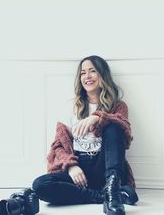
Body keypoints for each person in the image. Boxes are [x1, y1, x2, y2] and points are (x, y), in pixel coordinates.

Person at [32, 55, 138, 215]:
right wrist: (71, 166)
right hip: (81, 169)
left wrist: (97, 117)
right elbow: (59, 144)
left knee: (114, 127)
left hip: (107, 168)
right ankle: (106, 196)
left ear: (102, 75)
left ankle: (112, 189)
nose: (87, 76)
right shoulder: (71, 106)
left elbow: (125, 130)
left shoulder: (118, 106)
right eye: (83, 73)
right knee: (40, 185)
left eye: (92, 71)